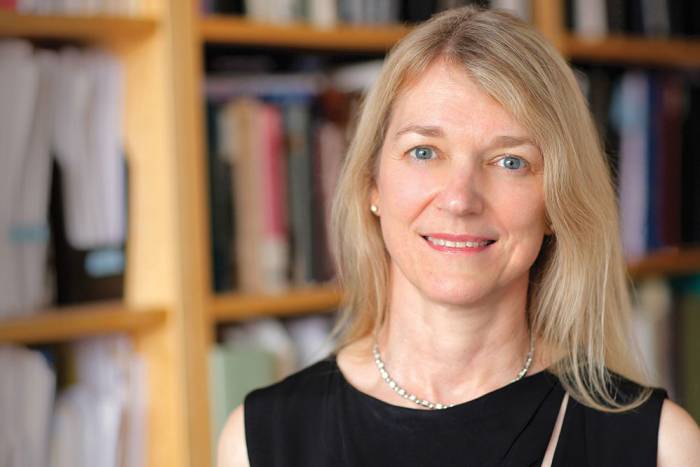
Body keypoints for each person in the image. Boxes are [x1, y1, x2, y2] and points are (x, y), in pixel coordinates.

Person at [218, 6, 700, 467]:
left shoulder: (662, 447)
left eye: (510, 161)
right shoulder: (259, 441)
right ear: (372, 184)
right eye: (424, 152)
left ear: (556, 204)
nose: (460, 198)